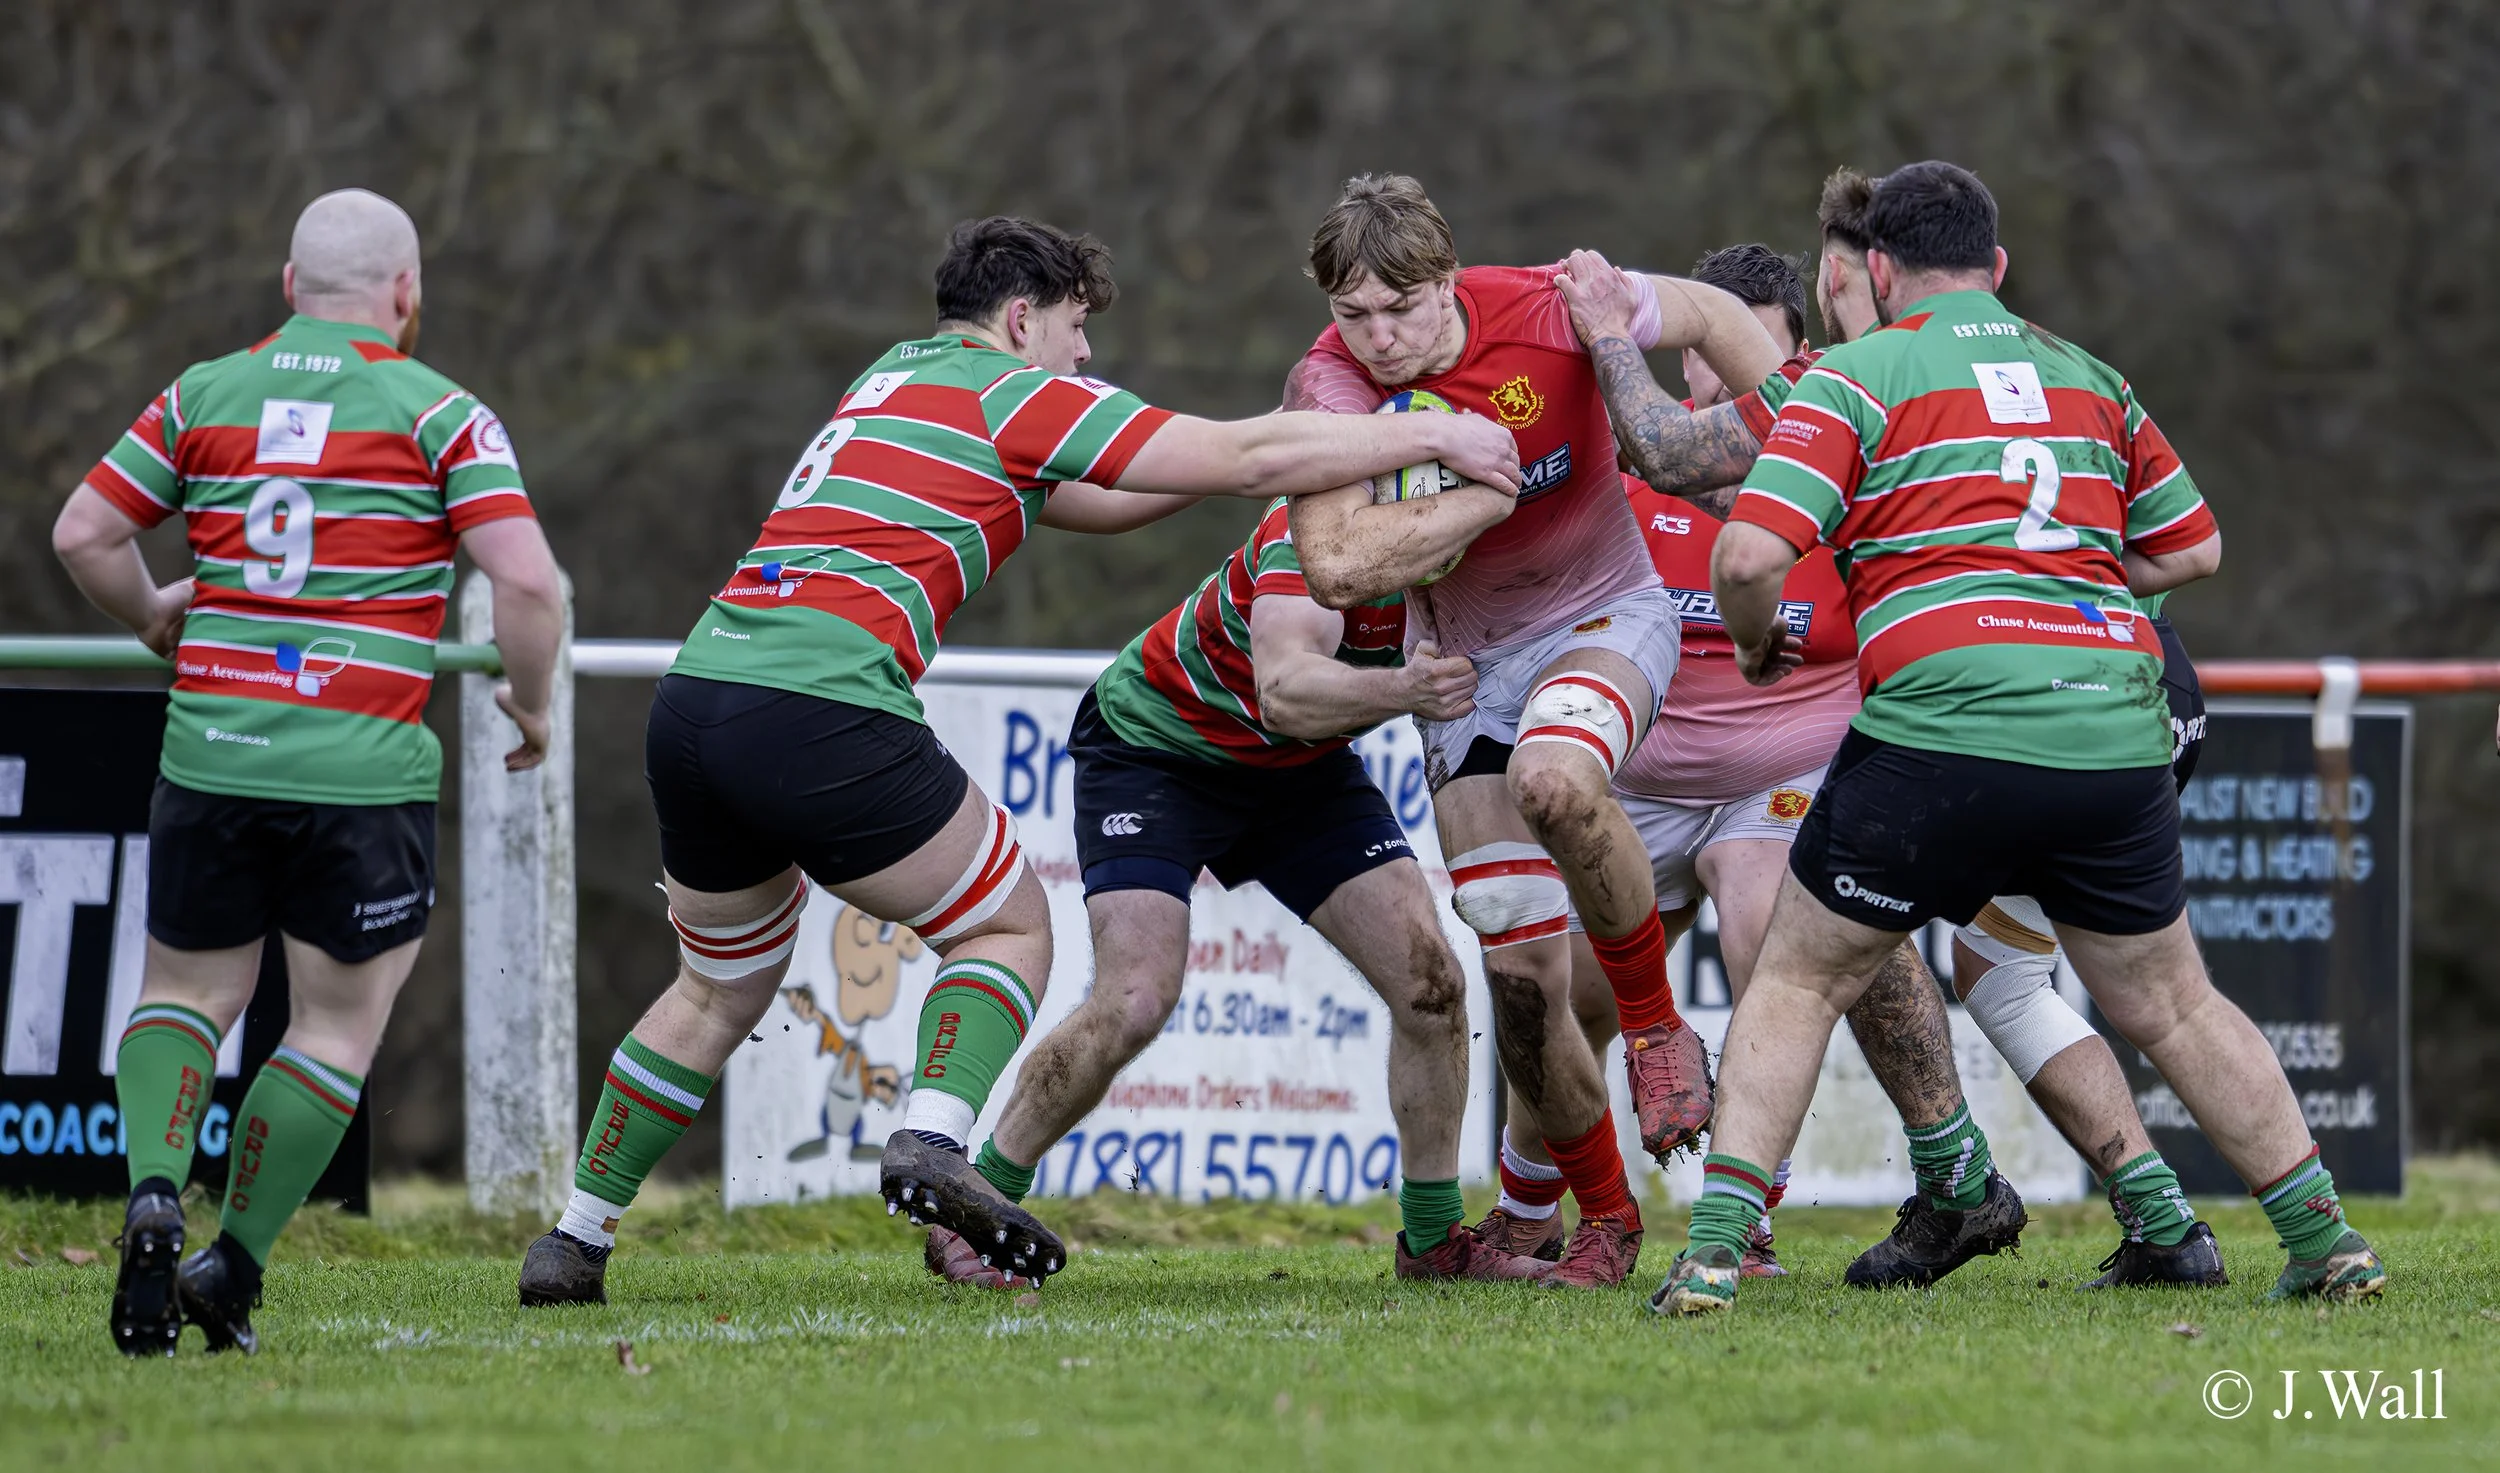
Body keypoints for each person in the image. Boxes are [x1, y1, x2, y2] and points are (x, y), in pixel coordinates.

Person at [517, 215, 1524, 1305]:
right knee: (1005, 925)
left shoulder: (897, 378)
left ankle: (575, 1239)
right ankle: (935, 1144)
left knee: (717, 986)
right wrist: (1432, 440)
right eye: (1076, 328)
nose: (1085, 355)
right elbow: (1242, 461)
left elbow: (1105, 497)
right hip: (820, 702)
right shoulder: (1017, 392)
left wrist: (1275, 444)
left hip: (699, 700)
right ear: (1020, 317)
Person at [1654, 161, 2384, 1314]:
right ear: (1995, 267)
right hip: (2109, 734)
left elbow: (1747, 557)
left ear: (1878, 271)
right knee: (2176, 1003)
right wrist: (2067, 581)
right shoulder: (2093, 379)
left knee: (1797, 977)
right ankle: (2325, 1239)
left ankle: (1711, 1256)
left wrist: (1754, 647)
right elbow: (2194, 550)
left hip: (1942, 727)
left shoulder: (1853, 378)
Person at [1567, 174, 2228, 1290]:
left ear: (1853, 272)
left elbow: (1674, 459)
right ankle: (2151, 1219)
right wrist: (2045, 594)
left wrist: (1602, 330)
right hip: (2129, 690)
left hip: (1994, 708)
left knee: (1818, 926)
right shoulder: (2050, 369)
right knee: (2014, 975)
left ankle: (1770, 1231)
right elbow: (2192, 546)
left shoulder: (1847, 382)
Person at [55, 188, 566, 1355]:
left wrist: (150, 616)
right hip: (362, 774)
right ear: (406, 294)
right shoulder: (441, 411)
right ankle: (229, 1264)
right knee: (332, 1030)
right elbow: (530, 586)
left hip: (213, 753)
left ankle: (148, 1190)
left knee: (185, 995)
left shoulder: (202, 394)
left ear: (289, 289)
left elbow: (83, 532)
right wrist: (527, 702)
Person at [1484, 242, 2024, 1290]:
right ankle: (1522, 1203)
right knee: (1562, 995)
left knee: (1765, 916)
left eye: (1738, 364)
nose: (1709, 386)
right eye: (1687, 355)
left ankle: (1748, 1212)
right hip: (1636, 783)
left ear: (1794, 362)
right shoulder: (1620, 467)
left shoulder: (1843, 451)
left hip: (1774, 778)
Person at [1280, 174, 1785, 1287]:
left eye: (1400, 311)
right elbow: (1335, 563)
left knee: (1559, 783)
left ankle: (1655, 1034)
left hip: (1604, 612)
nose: (1377, 341)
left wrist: (1800, 428)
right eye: (1352, 315)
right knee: (1516, 969)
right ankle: (1603, 1221)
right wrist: (1474, 476)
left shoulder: (1552, 305)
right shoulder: (1328, 382)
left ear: (1450, 282)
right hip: (1463, 672)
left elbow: (1711, 314)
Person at [929, 486, 1552, 1285]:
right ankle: (976, 1204)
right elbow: (1285, 691)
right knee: (1134, 1001)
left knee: (1432, 983)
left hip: (1297, 771)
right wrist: (1406, 689)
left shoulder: (1487, 554)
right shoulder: (1317, 537)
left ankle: (1433, 1243)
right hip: (1156, 749)